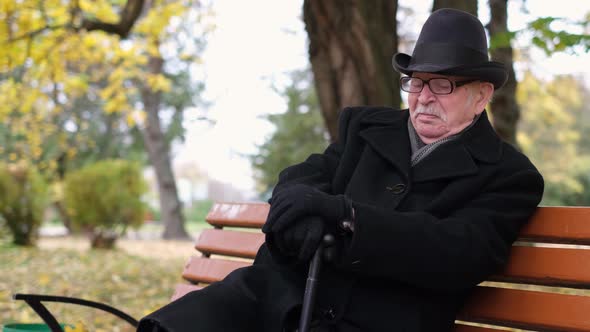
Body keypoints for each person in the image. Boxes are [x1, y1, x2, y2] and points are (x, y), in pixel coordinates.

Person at [137, 8, 544, 332]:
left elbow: (458, 252)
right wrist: (300, 212)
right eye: (416, 82)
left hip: (381, 320)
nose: (423, 98)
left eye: (442, 85)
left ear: (481, 96)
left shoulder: (509, 176)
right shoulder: (366, 128)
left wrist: (348, 219)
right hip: (286, 300)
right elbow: (305, 175)